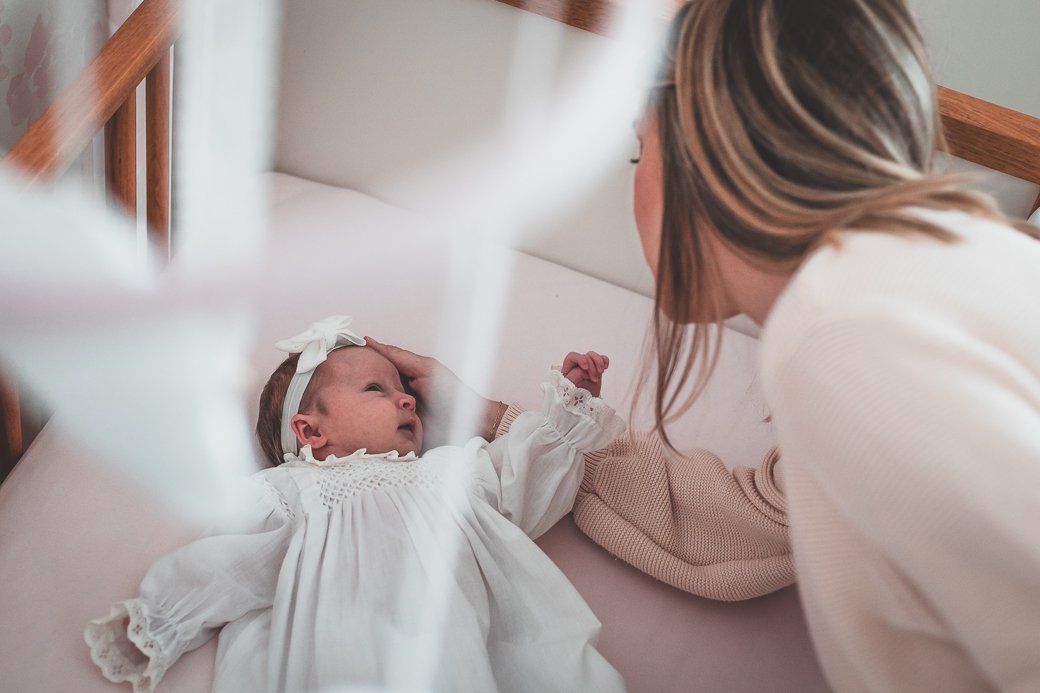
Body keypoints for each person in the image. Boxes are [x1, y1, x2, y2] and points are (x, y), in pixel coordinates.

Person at [371, 1, 1040, 690]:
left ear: (710, 140)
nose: (635, 183)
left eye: (640, 150)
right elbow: (745, 527)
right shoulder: (933, 270)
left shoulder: (841, 332)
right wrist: (500, 418)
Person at [84, 315, 627, 693]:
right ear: (310, 431)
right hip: (351, 658)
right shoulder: (292, 492)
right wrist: (160, 623)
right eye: (376, 389)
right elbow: (227, 564)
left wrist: (565, 413)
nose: (407, 398)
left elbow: (521, 485)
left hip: (469, 646)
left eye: (401, 389)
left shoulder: (448, 471)